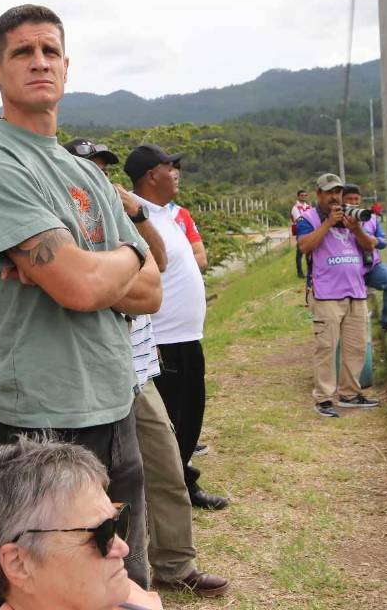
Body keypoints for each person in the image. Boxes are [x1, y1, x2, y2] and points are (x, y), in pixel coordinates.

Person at [0, 5, 163, 607]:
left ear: (66, 68)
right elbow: (82, 288)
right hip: (39, 419)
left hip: (112, 402)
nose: (38, 62)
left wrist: (98, 263)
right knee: (26, 592)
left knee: (121, 584)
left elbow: (153, 289)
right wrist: (119, 256)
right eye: (22, 52)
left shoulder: (82, 172)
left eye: (49, 51)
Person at [66, 140, 229, 598]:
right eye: (87, 169)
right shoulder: (64, 229)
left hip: (139, 371)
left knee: (168, 469)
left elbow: (155, 273)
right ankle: (104, 585)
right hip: (93, 377)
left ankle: (176, 567)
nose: (97, 178)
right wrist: (121, 278)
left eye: (102, 170)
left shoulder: (123, 222)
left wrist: (135, 217)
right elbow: (94, 289)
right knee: (101, 489)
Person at [125, 144, 228, 510]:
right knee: (166, 427)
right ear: (152, 175)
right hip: (163, 340)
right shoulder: (134, 216)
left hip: (187, 338)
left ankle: (183, 483)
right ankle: (161, 498)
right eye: (171, 167)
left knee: (189, 420)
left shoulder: (167, 214)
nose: (177, 173)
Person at [0, 436, 164, 610]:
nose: (123, 548)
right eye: (101, 534)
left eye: (118, 523)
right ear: (19, 564)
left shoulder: (131, 598)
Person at [296, 173, 381, 418]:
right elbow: (304, 247)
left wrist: (356, 229)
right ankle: (323, 399)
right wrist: (328, 224)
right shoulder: (309, 219)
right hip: (326, 295)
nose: (335, 197)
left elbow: (369, 246)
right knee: (326, 348)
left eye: (338, 192)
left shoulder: (351, 216)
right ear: (319, 194)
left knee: (355, 347)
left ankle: (350, 394)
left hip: (356, 291)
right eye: (330, 192)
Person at [342, 185, 387, 333]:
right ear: (342, 200)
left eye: (356, 198)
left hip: (371, 266)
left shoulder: (371, 217)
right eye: (349, 199)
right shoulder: (337, 219)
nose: (353, 202)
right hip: (348, 268)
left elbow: (383, 241)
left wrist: (375, 241)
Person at [290, 190, 311, 278]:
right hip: (301, 232)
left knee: (309, 253)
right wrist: (309, 218)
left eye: (305, 195)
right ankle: (300, 273)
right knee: (300, 253)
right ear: (298, 196)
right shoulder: (295, 208)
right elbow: (299, 219)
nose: (303, 197)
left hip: (310, 231)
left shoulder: (308, 206)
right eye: (302, 195)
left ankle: (310, 271)